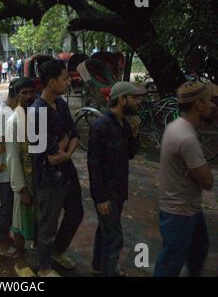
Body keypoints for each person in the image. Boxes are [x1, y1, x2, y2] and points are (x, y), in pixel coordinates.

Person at [153, 82, 217, 277]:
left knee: (198, 251)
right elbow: (208, 182)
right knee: (170, 265)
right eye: (209, 101)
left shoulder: (175, 126)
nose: (212, 106)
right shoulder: (187, 138)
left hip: (185, 208)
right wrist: (201, 172)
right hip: (180, 213)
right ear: (198, 104)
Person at [30, 59, 84, 277]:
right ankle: (44, 268)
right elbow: (50, 153)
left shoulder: (60, 104)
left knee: (76, 213)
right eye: (64, 78)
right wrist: (63, 142)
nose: (68, 81)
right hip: (48, 178)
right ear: (51, 82)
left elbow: (74, 133)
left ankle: (58, 251)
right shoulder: (36, 112)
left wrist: (66, 152)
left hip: (67, 171)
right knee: (48, 224)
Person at [88, 81, 144, 277]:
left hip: (119, 189)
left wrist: (135, 134)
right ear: (122, 99)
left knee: (105, 231)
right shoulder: (101, 127)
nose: (138, 102)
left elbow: (130, 153)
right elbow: (93, 165)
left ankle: (98, 266)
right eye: (134, 98)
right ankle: (108, 271)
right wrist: (100, 198)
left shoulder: (124, 124)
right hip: (107, 192)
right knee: (114, 237)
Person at [5, 77, 38, 276]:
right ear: (16, 95)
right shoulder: (13, 121)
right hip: (23, 181)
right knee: (19, 222)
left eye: (30, 92)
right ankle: (21, 260)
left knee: (36, 219)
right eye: (23, 93)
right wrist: (22, 188)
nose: (28, 96)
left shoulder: (35, 115)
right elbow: (12, 157)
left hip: (38, 178)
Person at [0, 83, 19, 260]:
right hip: (2, 168)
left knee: (9, 205)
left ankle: (5, 237)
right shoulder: (4, 114)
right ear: (16, 96)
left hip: (5, 167)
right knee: (7, 206)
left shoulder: (6, 111)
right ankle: (1, 243)